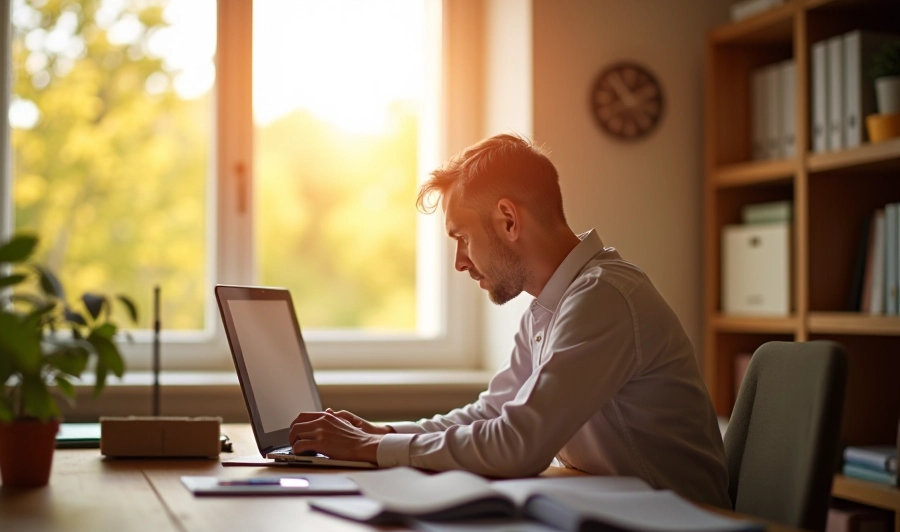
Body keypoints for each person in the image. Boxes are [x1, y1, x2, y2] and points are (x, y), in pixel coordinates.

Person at [289, 134, 731, 508]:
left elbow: (517, 446)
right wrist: (382, 432)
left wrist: (369, 449)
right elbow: (492, 412)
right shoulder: (552, 305)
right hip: (620, 516)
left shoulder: (603, 297)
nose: (460, 262)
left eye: (462, 238)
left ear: (508, 220)